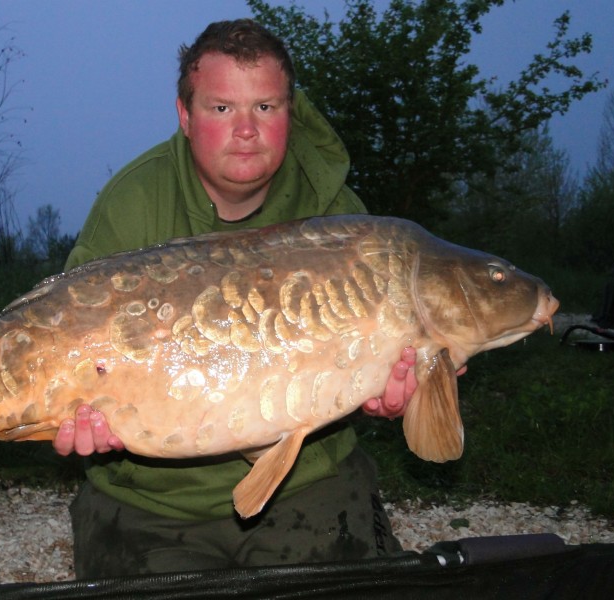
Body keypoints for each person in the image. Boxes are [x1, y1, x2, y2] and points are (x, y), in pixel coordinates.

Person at [54, 19, 417, 579]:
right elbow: (67, 333)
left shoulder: (341, 220)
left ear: (289, 112)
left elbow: (392, 365)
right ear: (185, 115)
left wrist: (396, 392)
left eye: (266, 108)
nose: (245, 129)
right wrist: (75, 409)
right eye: (222, 108)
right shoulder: (132, 202)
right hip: (150, 497)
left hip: (308, 483)